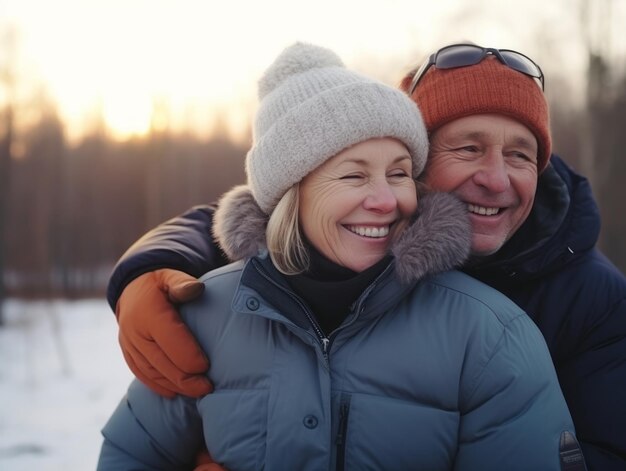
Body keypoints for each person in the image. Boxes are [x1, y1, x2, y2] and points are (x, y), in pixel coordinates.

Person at [106, 42, 626, 471]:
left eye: (520, 154)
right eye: (467, 148)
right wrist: (144, 269)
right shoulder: (219, 304)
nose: (495, 179)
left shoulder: (554, 312)